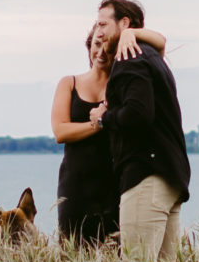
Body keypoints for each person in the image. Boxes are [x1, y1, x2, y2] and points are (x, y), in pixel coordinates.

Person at [91, 0, 191, 262]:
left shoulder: (129, 58)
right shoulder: (152, 58)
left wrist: (104, 117)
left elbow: (137, 115)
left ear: (124, 23)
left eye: (103, 24)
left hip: (147, 176)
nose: (98, 32)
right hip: (171, 176)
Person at [48, 20, 166, 247]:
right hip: (75, 185)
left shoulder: (123, 84)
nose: (100, 52)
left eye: (106, 46)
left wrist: (131, 33)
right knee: (73, 254)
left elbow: (160, 46)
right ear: (88, 46)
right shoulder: (69, 83)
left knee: (114, 253)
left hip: (114, 183)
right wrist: (98, 123)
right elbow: (61, 131)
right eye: (95, 44)